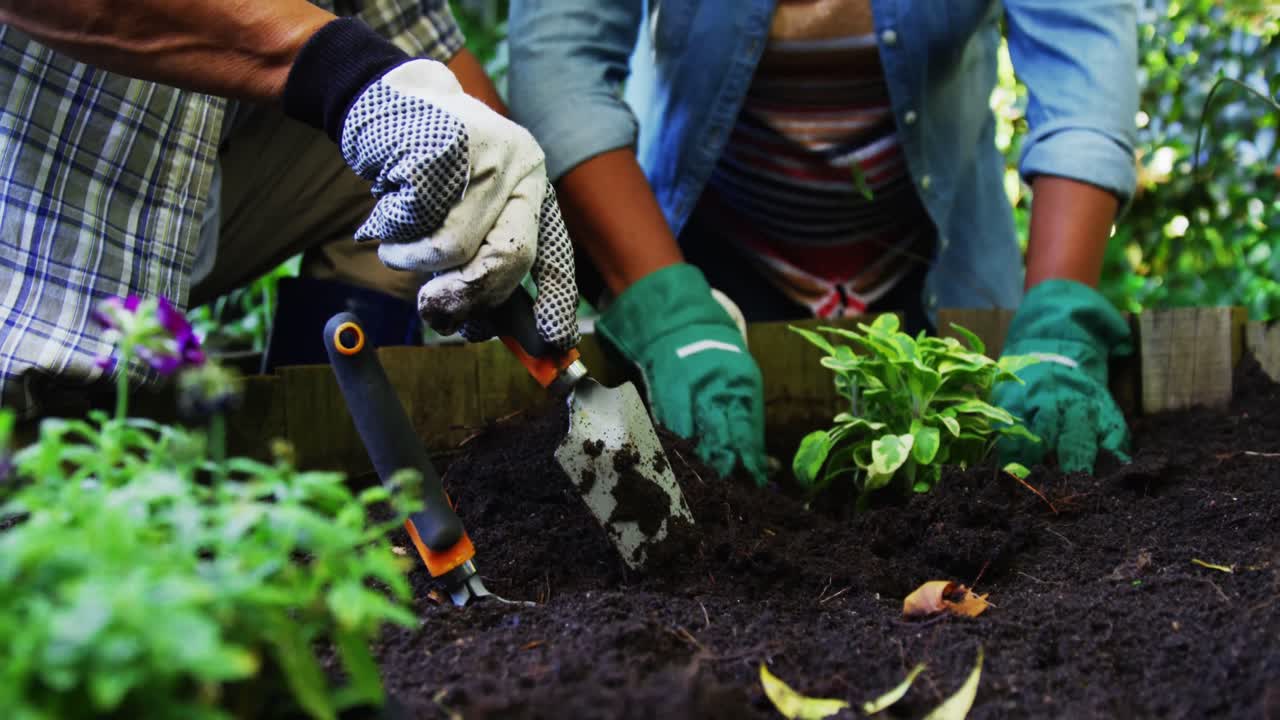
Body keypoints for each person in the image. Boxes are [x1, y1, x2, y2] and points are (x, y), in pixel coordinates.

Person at [507, 0, 1139, 481]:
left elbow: (1081, 61)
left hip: (939, 261)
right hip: (698, 265)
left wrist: (1059, 316)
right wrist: (668, 313)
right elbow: (561, 73)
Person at [0, 0, 578, 417]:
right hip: (31, 209)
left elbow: (416, 42)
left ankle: (319, 450)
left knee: (439, 166)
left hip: (182, 199)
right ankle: (54, 413)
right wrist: (336, 70)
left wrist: (504, 181)